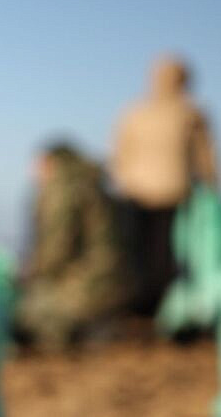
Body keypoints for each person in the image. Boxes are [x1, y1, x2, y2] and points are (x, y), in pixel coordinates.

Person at [111, 54, 220, 316]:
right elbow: (207, 159)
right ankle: (163, 311)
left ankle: (144, 310)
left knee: (140, 255)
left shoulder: (135, 111)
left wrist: (121, 182)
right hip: (173, 193)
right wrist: (213, 189)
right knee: (167, 257)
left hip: (136, 192)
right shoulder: (190, 112)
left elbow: (119, 153)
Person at [16, 142, 136, 350]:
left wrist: (27, 277)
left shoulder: (62, 189)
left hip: (87, 286)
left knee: (20, 312)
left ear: (51, 163)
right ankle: (91, 325)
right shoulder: (91, 183)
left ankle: (78, 329)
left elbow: (55, 251)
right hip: (114, 285)